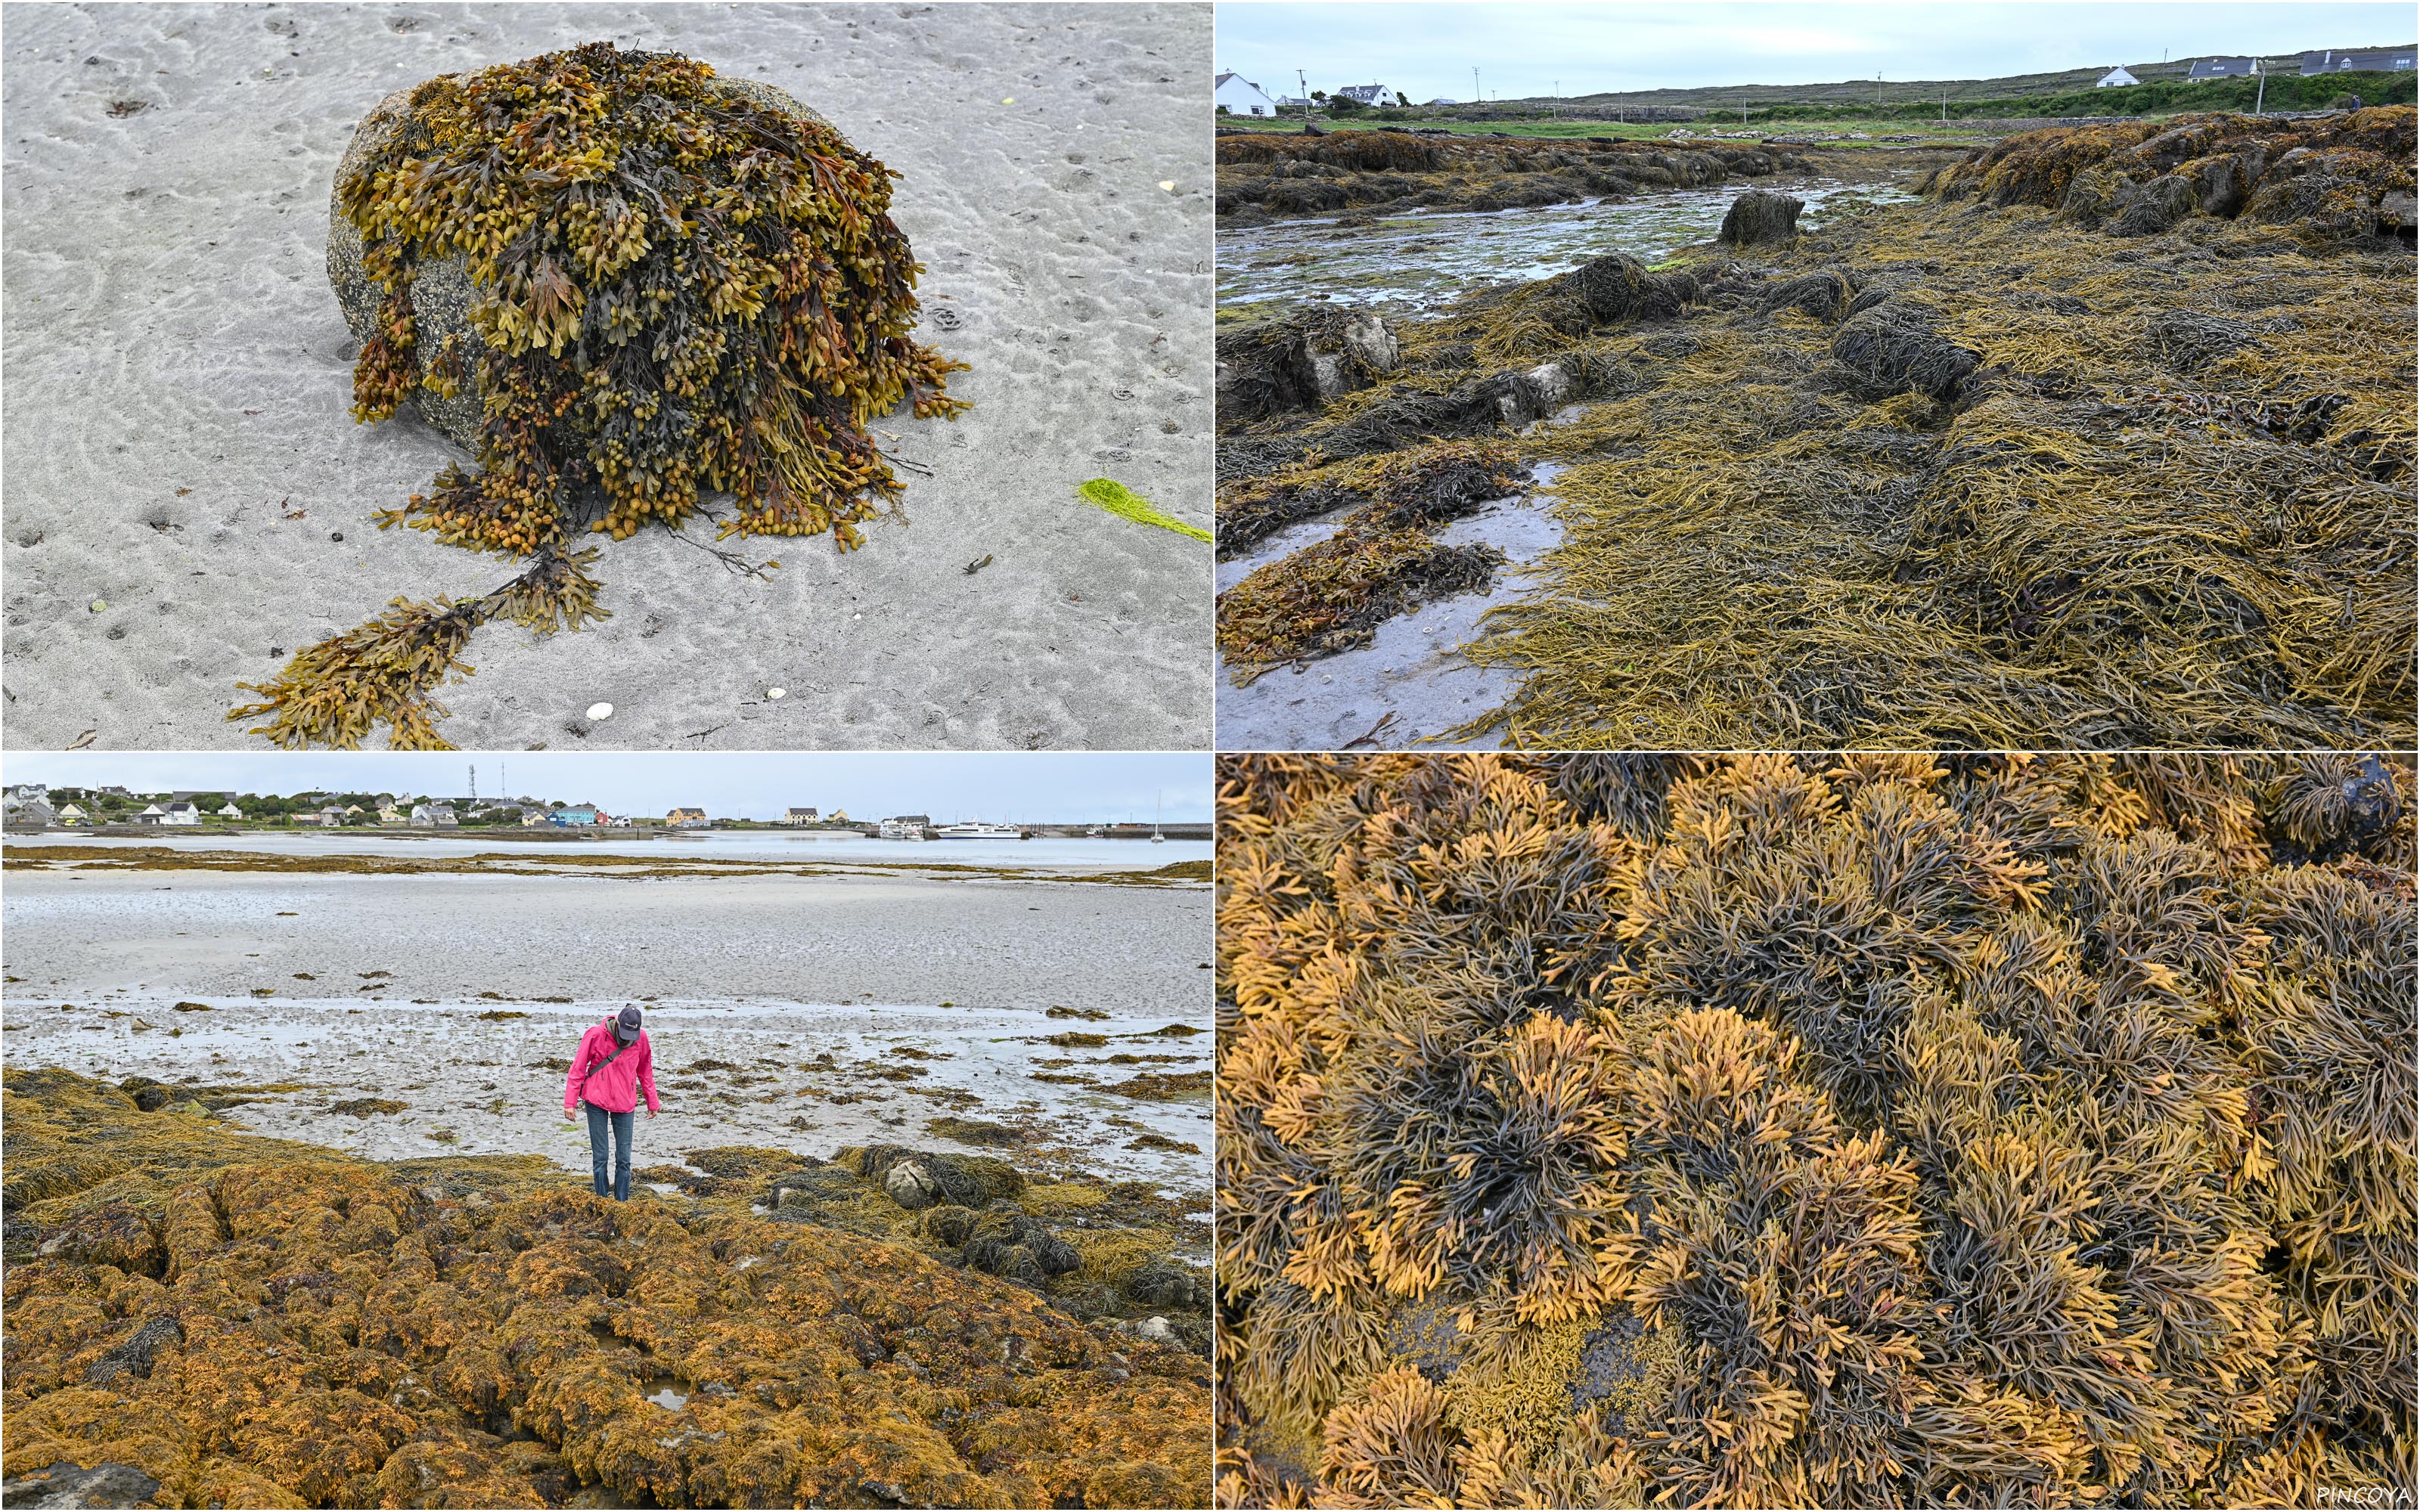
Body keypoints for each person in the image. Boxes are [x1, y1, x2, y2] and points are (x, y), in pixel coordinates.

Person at [563, 1005, 659, 1201]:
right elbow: (578, 1068)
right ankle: (601, 1199)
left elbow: (645, 1071)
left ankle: (621, 1201)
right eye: (624, 1033)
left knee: (624, 1159)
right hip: (596, 1101)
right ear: (617, 1023)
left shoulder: (641, 1039)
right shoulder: (596, 1035)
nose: (627, 1038)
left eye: (632, 1034)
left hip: (625, 1103)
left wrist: (653, 1101)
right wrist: (570, 1102)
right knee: (601, 1157)